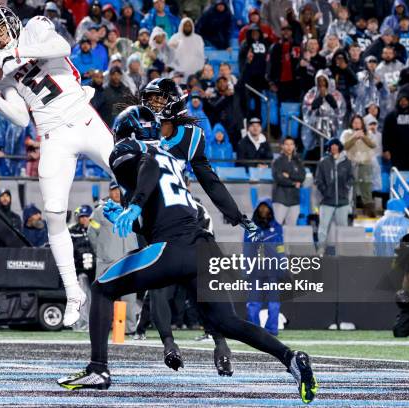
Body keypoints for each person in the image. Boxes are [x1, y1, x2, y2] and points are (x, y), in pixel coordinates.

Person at [57, 106, 319, 405]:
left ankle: (98, 369)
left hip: (174, 246)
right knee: (226, 322)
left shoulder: (132, 151)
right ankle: (290, 358)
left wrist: (135, 205)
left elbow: (148, 167)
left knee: (102, 288)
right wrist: (135, 210)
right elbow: (153, 204)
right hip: (202, 247)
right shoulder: (174, 160)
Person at [0, 6, 115, 326]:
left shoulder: (34, 28)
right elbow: (21, 118)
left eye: (2, 30)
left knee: (130, 174)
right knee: (52, 214)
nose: (1, 39)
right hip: (52, 136)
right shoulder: (1, 66)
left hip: (82, 117)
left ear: (11, 22)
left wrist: (16, 53)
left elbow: (63, 47)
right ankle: (73, 293)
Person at [140, 78, 258, 376]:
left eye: (157, 100)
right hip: (151, 216)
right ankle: (169, 344)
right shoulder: (138, 129)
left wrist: (235, 213)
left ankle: (220, 344)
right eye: (150, 100)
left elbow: (209, 180)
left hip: (184, 214)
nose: (152, 105)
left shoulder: (191, 136)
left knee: (205, 283)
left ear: (172, 102)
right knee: (157, 287)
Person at [88, 181, 139, 335]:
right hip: (107, 261)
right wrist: (102, 252)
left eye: (119, 190)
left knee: (129, 298)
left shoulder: (132, 210)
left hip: (129, 260)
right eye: (114, 190)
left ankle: (130, 329)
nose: (117, 193)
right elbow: (92, 234)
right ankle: (100, 327)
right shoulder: (100, 211)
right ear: (109, 192)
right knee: (103, 296)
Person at [244, 199, 285, 336]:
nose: (263, 211)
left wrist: (283, 266)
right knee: (254, 302)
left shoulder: (277, 227)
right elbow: (247, 249)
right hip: (256, 270)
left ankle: (271, 330)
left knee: (274, 302)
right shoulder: (251, 227)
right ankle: (253, 330)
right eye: (261, 208)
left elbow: (280, 248)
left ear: (270, 211)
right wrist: (247, 269)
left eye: (266, 208)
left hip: (272, 270)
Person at [315, 139, 354, 251]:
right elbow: (318, 180)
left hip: (342, 202)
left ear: (339, 147)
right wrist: (325, 191)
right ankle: (321, 250)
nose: (333, 147)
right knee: (323, 227)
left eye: (336, 145)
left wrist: (346, 187)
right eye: (331, 146)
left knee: (343, 229)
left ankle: (342, 251)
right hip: (327, 201)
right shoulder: (323, 162)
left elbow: (351, 178)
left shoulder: (347, 162)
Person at [341, 115, 377, 216]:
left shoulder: (368, 133)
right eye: (355, 122)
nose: (357, 124)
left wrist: (363, 136)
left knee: (366, 186)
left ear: (362, 124)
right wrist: (354, 137)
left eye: (359, 123)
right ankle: (351, 210)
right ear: (351, 124)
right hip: (351, 164)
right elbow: (344, 146)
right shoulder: (346, 133)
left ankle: (369, 211)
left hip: (365, 163)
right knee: (351, 186)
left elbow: (373, 144)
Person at [382, 89, 409, 171]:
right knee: (399, 175)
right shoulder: (391, 116)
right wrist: (386, 149)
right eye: (401, 100)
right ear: (398, 102)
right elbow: (385, 134)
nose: (403, 102)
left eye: (405, 100)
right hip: (396, 153)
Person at [69, 204, 96, 331]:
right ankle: (82, 324)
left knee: (94, 298)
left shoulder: (97, 228)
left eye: (86, 216)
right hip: (81, 270)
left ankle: (94, 322)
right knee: (83, 296)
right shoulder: (73, 231)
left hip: (96, 270)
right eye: (82, 217)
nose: (84, 219)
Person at [271, 137, 306, 226]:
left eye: (291, 144)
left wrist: (289, 175)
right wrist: (294, 183)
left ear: (294, 146)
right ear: (282, 146)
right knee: (277, 228)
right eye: (286, 144)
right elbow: (279, 178)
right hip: (280, 199)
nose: (289, 147)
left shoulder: (298, 161)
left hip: (294, 200)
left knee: (291, 230)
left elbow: (302, 176)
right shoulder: (277, 161)